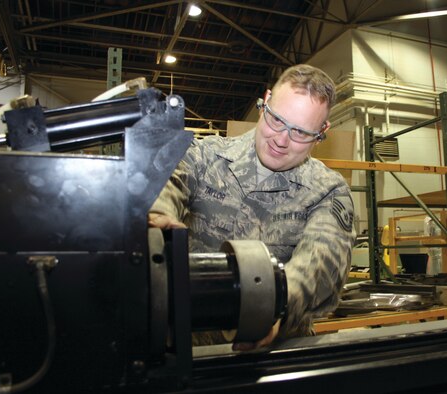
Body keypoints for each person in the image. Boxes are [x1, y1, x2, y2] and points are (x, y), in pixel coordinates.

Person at [149, 64, 356, 350]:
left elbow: (322, 263)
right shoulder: (206, 156)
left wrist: (276, 304)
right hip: (191, 347)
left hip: (276, 353)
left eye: (300, 133)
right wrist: (156, 215)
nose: (281, 141)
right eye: (276, 120)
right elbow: (168, 182)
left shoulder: (328, 191)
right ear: (265, 101)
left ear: (322, 131)